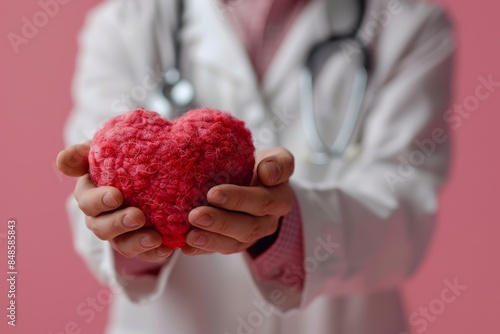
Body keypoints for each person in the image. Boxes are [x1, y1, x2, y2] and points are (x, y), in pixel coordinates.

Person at [57, 0, 455, 333]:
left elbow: (404, 213)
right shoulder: (126, 23)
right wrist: (124, 225)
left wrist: (283, 224)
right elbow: (89, 197)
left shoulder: (408, 24)